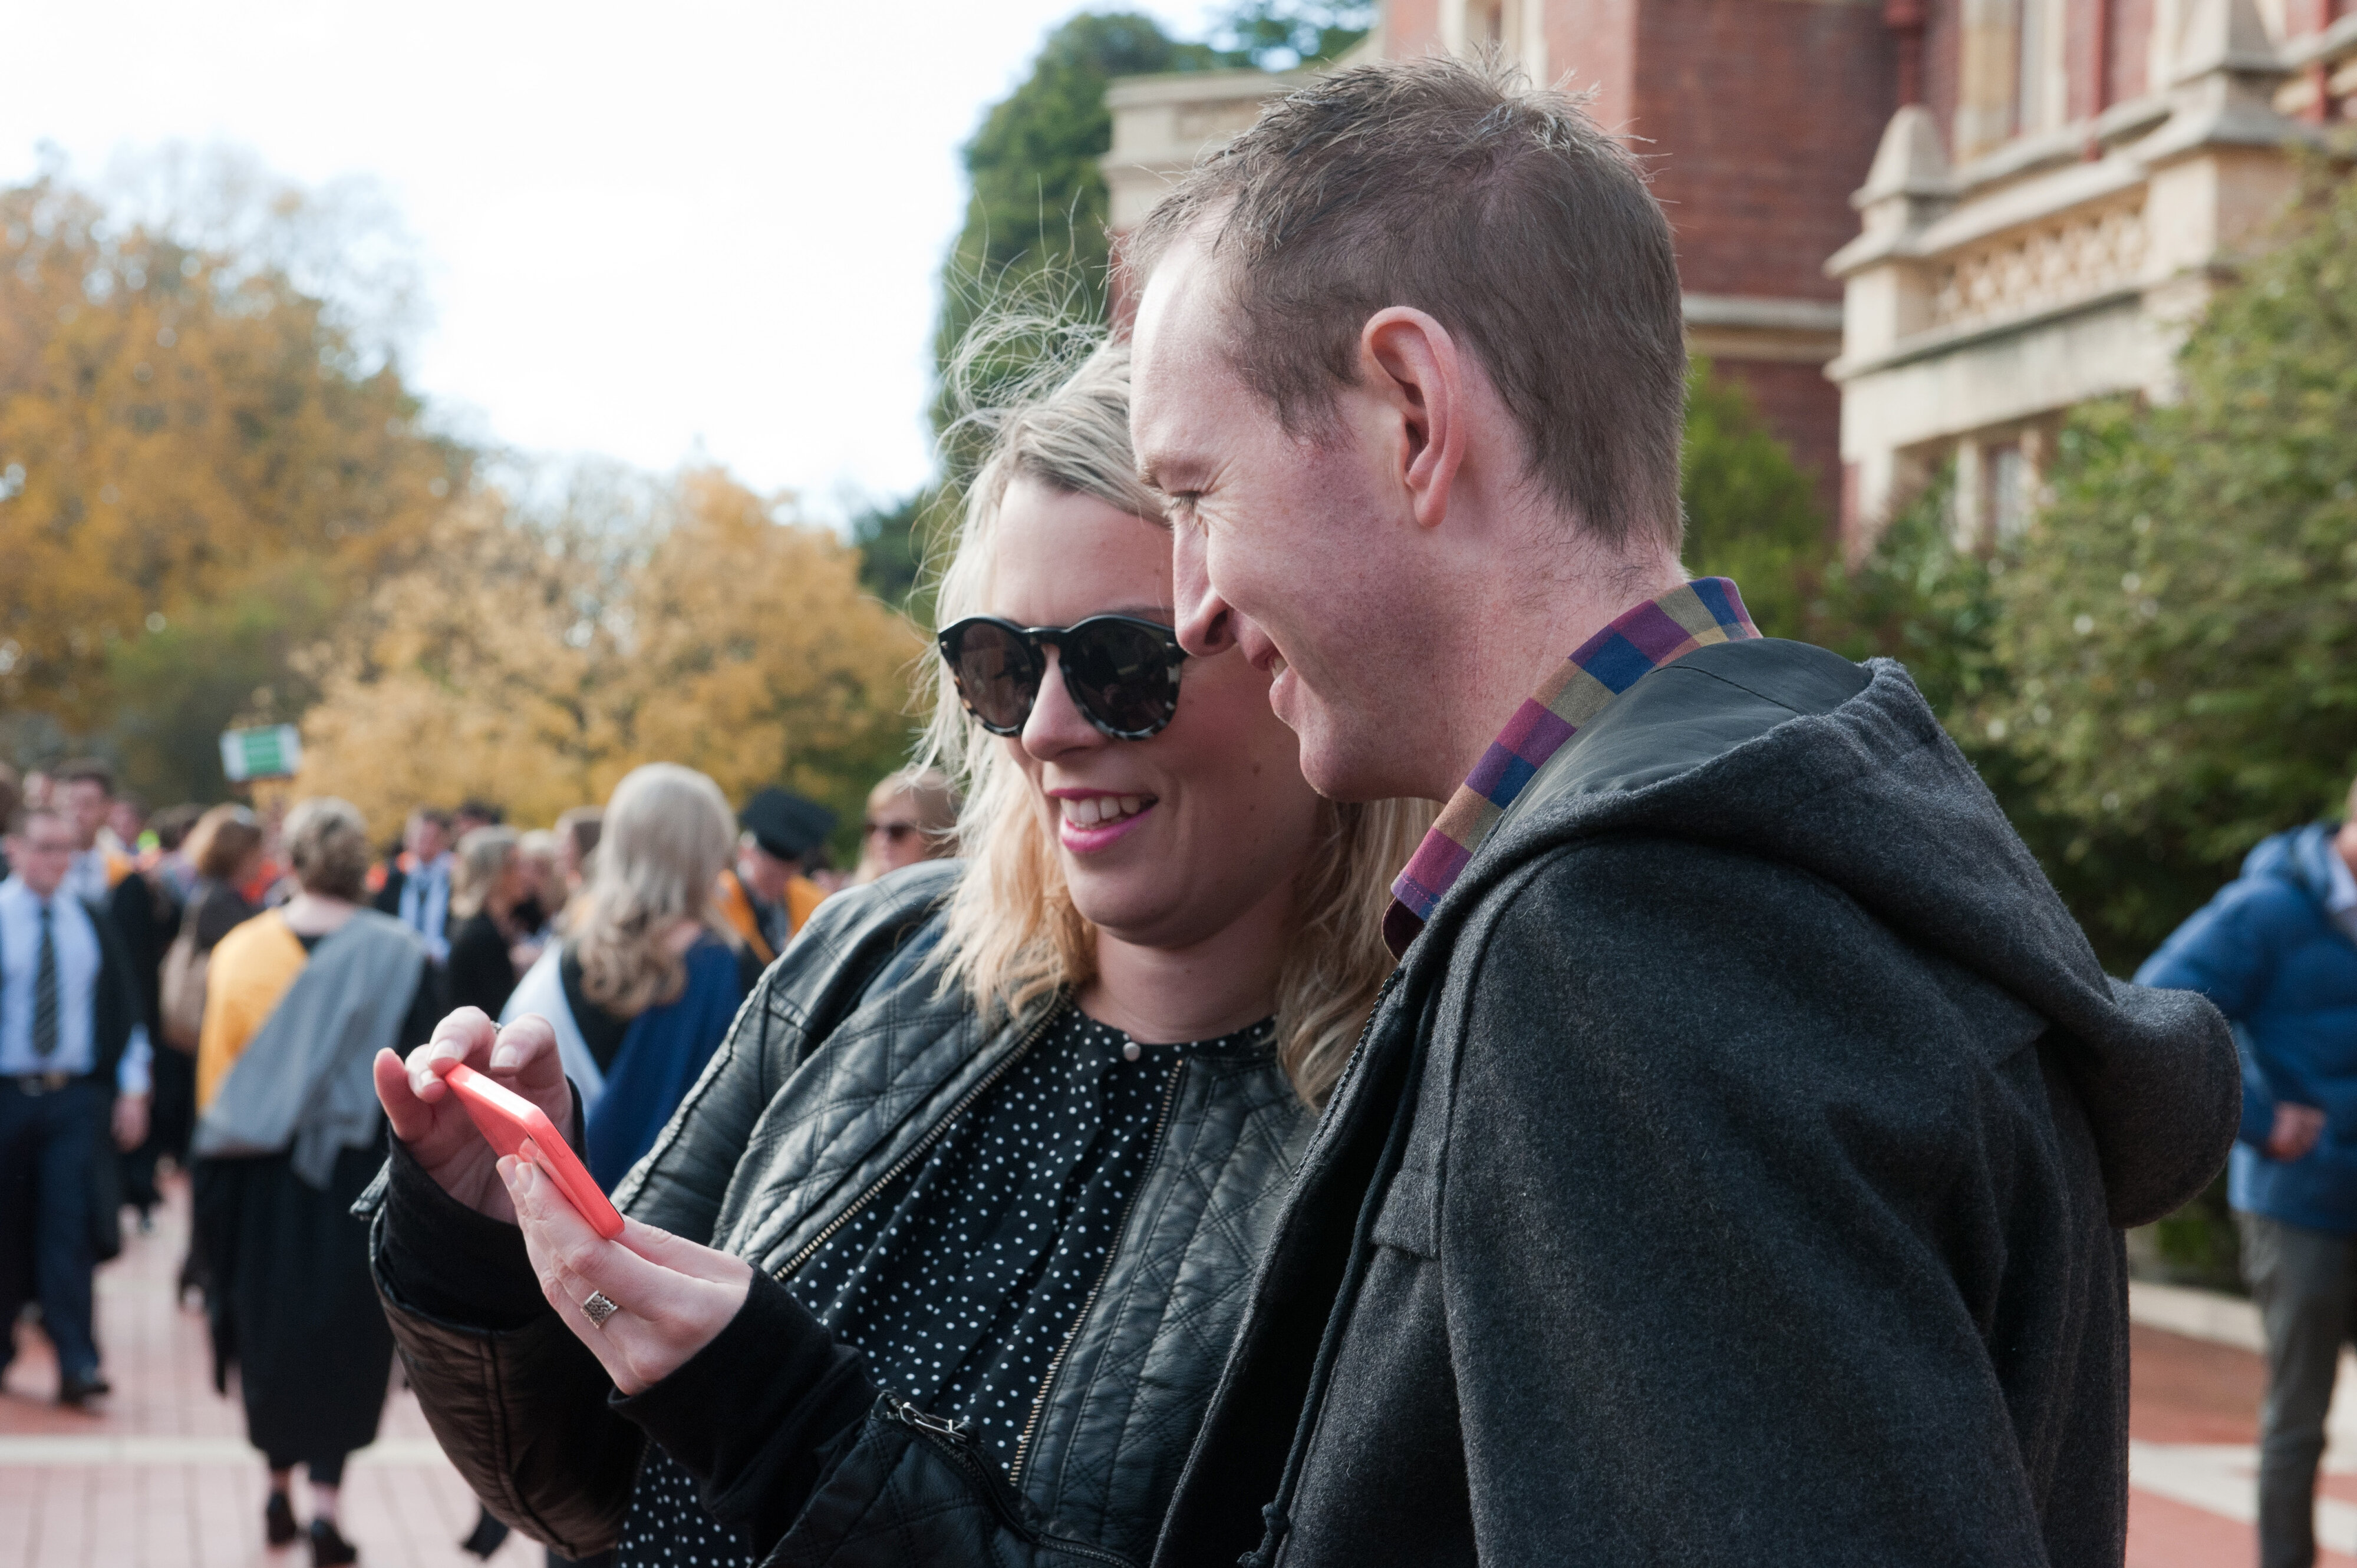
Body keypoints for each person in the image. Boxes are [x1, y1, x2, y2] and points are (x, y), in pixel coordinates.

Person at [1117, 55, 2244, 1566]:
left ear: (1410, 410)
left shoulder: (1627, 944)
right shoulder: (1800, 822)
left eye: (1197, 494)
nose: (1187, 606)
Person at [362, 338, 1427, 1568]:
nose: (1046, 726)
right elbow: (577, 1484)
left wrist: (790, 1430)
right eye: (1002, 664)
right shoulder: (879, 953)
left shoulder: (1419, 1104)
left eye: (1124, 664)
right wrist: (486, 1240)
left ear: (1300, 654)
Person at [190, 797, 437, 1567]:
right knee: (347, 1332)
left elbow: (217, 1089)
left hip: (258, 1181)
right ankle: (329, 1504)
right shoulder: (403, 953)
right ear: (361, 860)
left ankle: (276, 1487)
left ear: (289, 860)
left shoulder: (240, 951)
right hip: (360, 1180)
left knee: (266, 1327)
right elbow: (424, 1083)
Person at [2137, 779, 2357, 1568]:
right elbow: (2159, 1001)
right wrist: (2258, 1119)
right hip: (2298, 1199)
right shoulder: (2267, 909)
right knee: (2298, 1418)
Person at [495, 764, 757, 1191]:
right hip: (679, 1220)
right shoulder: (732, 969)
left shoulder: (567, 957)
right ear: (709, 850)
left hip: (556, 1199)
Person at [0, 804, 152, 1406]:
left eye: (62, 850)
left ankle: (77, 1362)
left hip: (73, 1100)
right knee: (6, 1229)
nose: (52, 861)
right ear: (14, 849)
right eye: (41, 848)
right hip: (8, 1097)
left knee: (69, 1232)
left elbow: (125, 1008)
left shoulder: (89, 920)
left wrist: (133, 1089)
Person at [713, 788, 831, 965]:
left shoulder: (813, 902)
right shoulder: (718, 898)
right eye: (770, 875)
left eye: (787, 874)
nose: (779, 883)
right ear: (746, 853)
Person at [444, 827, 526, 1025]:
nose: (524, 873)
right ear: (497, 872)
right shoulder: (478, 935)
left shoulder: (491, 925)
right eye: (516, 864)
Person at [849, 766, 960, 884]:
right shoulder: (857, 897)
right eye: (872, 828)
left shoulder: (965, 899)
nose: (880, 839)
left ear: (937, 833)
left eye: (897, 830)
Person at [374, 807, 456, 963]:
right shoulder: (391, 875)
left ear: (446, 840)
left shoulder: (457, 877)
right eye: (421, 837)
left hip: (442, 962)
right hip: (399, 959)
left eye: (433, 838)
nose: (426, 844)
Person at [53, 759, 127, 907]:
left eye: (87, 805)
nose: (76, 813)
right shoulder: (32, 871)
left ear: (108, 808)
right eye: (69, 803)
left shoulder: (122, 874)